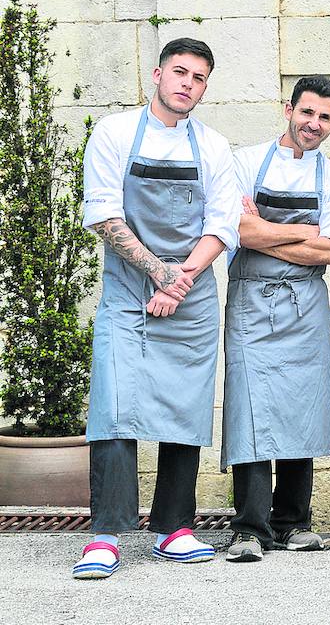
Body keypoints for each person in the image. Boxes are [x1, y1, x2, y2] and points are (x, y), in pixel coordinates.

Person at [74, 39, 240, 580]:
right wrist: (157, 272)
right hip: (128, 292)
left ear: (205, 86)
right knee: (113, 409)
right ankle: (105, 535)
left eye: (198, 77)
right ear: (157, 74)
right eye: (179, 72)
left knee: (185, 409)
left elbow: (222, 224)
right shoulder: (114, 133)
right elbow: (102, 213)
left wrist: (180, 278)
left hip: (189, 296)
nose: (187, 83)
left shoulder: (214, 146)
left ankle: (174, 527)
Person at [222, 76, 330, 563]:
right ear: (288, 109)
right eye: (307, 113)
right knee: (250, 410)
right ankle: (250, 528)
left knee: (302, 406)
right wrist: (303, 232)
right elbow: (236, 230)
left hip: (304, 306)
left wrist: (264, 230)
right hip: (251, 303)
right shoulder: (244, 162)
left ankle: (294, 521)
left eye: (324, 117)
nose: (313, 124)